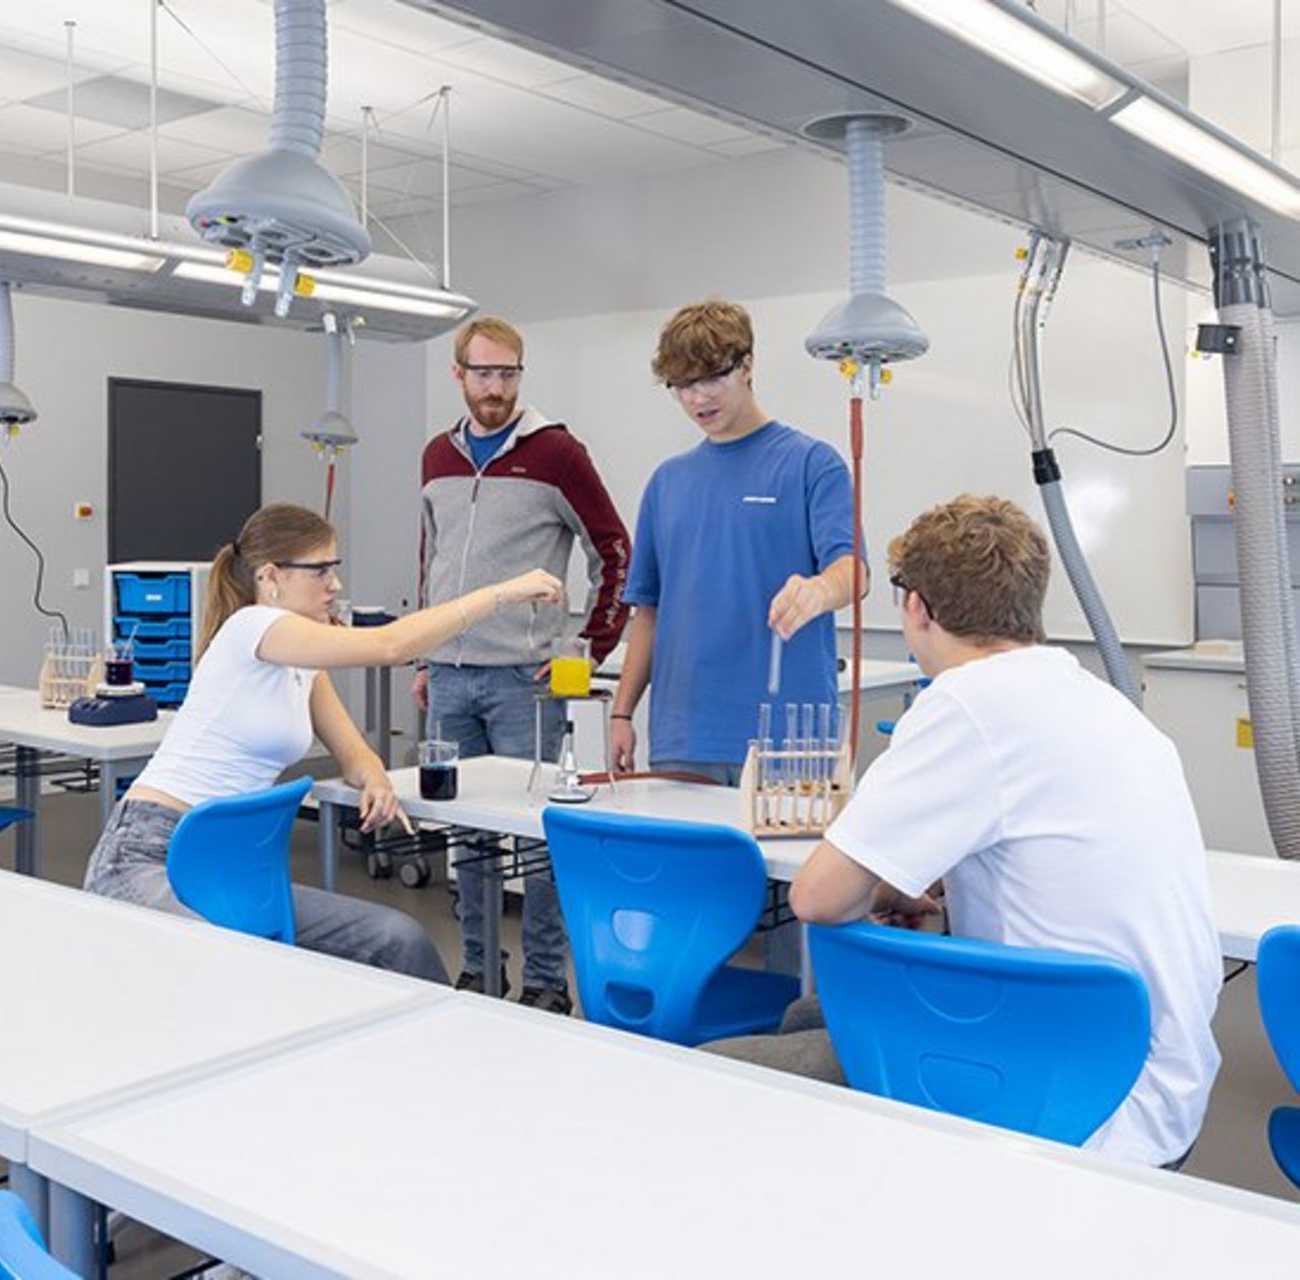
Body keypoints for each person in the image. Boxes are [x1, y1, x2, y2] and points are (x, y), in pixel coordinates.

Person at [705, 494, 1222, 1170]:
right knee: (810, 1016)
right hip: (1155, 1077)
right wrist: (926, 889)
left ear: (918, 608)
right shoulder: (1106, 705)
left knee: (714, 1074)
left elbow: (817, 898)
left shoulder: (965, 702)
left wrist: (875, 887)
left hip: (1067, 1094)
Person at [85, 502, 564, 984]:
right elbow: (390, 646)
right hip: (146, 854)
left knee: (399, 940)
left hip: (229, 863)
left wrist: (375, 780)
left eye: (334, 569)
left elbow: (354, 753)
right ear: (271, 576)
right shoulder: (251, 625)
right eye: (319, 571)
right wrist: (500, 594)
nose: (334, 584)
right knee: (219, 973)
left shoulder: (302, 660)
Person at [416, 315, 630, 1013]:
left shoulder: (557, 453)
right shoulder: (437, 457)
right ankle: (480, 969)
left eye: (508, 374)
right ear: (458, 374)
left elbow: (615, 552)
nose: (496, 388)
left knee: (539, 839)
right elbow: (434, 560)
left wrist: (588, 647)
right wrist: (424, 654)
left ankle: (545, 981)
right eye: (483, 373)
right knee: (469, 836)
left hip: (524, 680)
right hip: (450, 675)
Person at [609, 300, 863, 783]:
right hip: (685, 736)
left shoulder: (812, 464)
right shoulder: (667, 482)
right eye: (682, 385)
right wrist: (623, 712)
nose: (698, 398)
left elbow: (853, 570)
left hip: (789, 741)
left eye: (712, 378)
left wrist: (819, 590)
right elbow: (649, 612)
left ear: (747, 365)